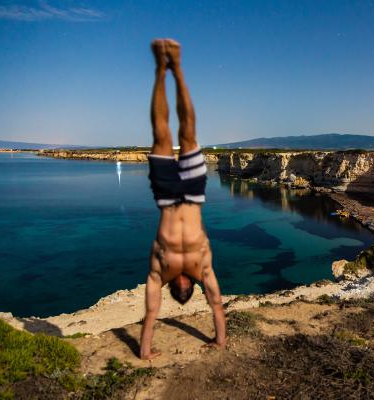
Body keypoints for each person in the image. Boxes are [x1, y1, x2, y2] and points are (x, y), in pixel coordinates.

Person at [140, 38, 226, 360]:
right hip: (192, 194)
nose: (181, 284)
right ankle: (175, 69)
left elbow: (151, 314)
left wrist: (145, 351)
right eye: (184, 288)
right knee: (188, 134)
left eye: (180, 288)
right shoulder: (202, 268)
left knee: (161, 135)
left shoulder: (158, 273)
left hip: (166, 198)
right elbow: (216, 304)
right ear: (188, 285)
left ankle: (162, 70)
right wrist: (220, 342)